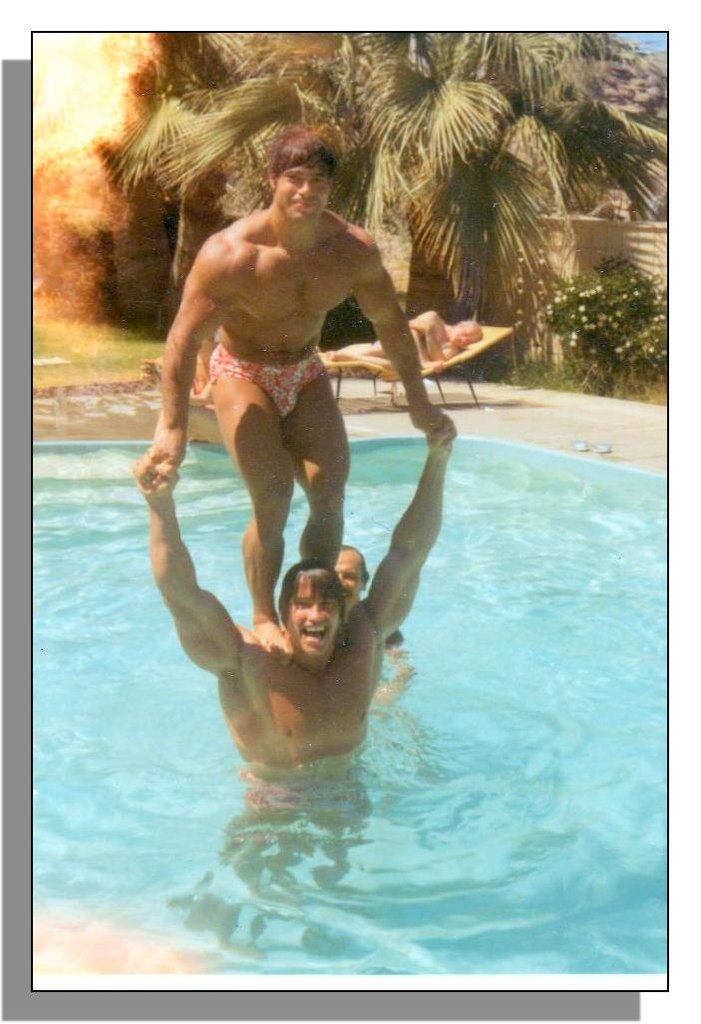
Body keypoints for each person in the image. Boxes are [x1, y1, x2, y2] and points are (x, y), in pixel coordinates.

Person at [134, 126, 453, 654]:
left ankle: (314, 606)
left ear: (331, 188)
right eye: (295, 179)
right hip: (242, 370)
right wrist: (173, 428)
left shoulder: (350, 250)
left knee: (329, 492)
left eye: (319, 181)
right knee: (273, 496)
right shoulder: (231, 253)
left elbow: (393, 328)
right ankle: (264, 616)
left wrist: (419, 405)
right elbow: (182, 339)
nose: (306, 191)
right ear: (272, 180)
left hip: (304, 370)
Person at [133, 421, 454, 773]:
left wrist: (438, 459)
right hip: (275, 796)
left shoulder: (366, 639)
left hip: (350, 789)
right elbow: (181, 595)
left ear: (342, 614)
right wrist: (159, 505)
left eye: (326, 605)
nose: (315, 615)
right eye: (302, 605)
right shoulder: (246, 659)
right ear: (284, 615)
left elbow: (409, 554)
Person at [325, 310, 483, 371]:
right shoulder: (433, 318)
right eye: (466, 334)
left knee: (399, 366)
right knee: (410, 334)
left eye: (469, 341)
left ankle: (348, 357)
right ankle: (344, 355)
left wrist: (429, 334)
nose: (465, 340)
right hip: (394, 343)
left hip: (403, 361)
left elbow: (440, 361)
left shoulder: (453, 348)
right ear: (460, 324)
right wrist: (424, 359)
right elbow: (409, 328)